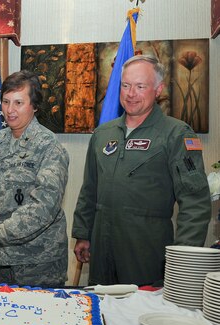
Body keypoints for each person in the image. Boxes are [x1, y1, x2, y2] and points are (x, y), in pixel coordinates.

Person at [72, 54, 212, 286]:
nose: (130, 93)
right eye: (125, 85)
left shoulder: (176, 134)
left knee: (142, 316)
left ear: (158, 89)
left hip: (147, 250)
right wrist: (83, 234)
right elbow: (89, 188)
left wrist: (183, 256)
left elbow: (195, 201)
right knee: (100, 314)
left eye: (140, 86)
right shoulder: (102, 134)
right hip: (102, 247)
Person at [0, 70, 70, 288]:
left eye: (18, 103)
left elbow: (43, 207)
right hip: (2, 259)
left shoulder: (49, 146)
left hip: (39, 263)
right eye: (5, 102)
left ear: (34, 106)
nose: (10, 110)